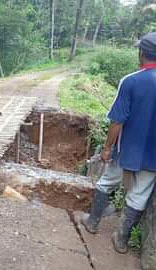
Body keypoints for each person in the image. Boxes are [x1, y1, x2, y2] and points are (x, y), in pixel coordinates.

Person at [80, 32, 156, 254]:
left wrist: (107, 148)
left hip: (127, 151)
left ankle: (92, 222)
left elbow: (117, 121)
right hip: (153, 158)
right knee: (139, 196)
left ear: (141, 53)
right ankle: (121, 239)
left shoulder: (131, 80)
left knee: (106, 182)